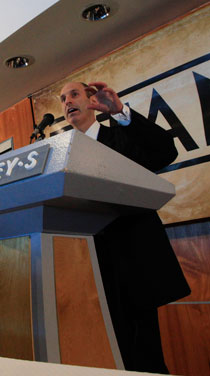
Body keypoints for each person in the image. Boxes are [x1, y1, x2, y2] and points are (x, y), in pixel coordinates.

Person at [59, 82, 191, 373]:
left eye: (74, 94)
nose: (67, 101)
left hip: (134, 261)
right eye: (63, 98)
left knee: (144, 355)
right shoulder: (63, 156)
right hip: (90, 268)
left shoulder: (119, 135)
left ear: (92, 100)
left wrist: (120, 112)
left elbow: (164, 152)